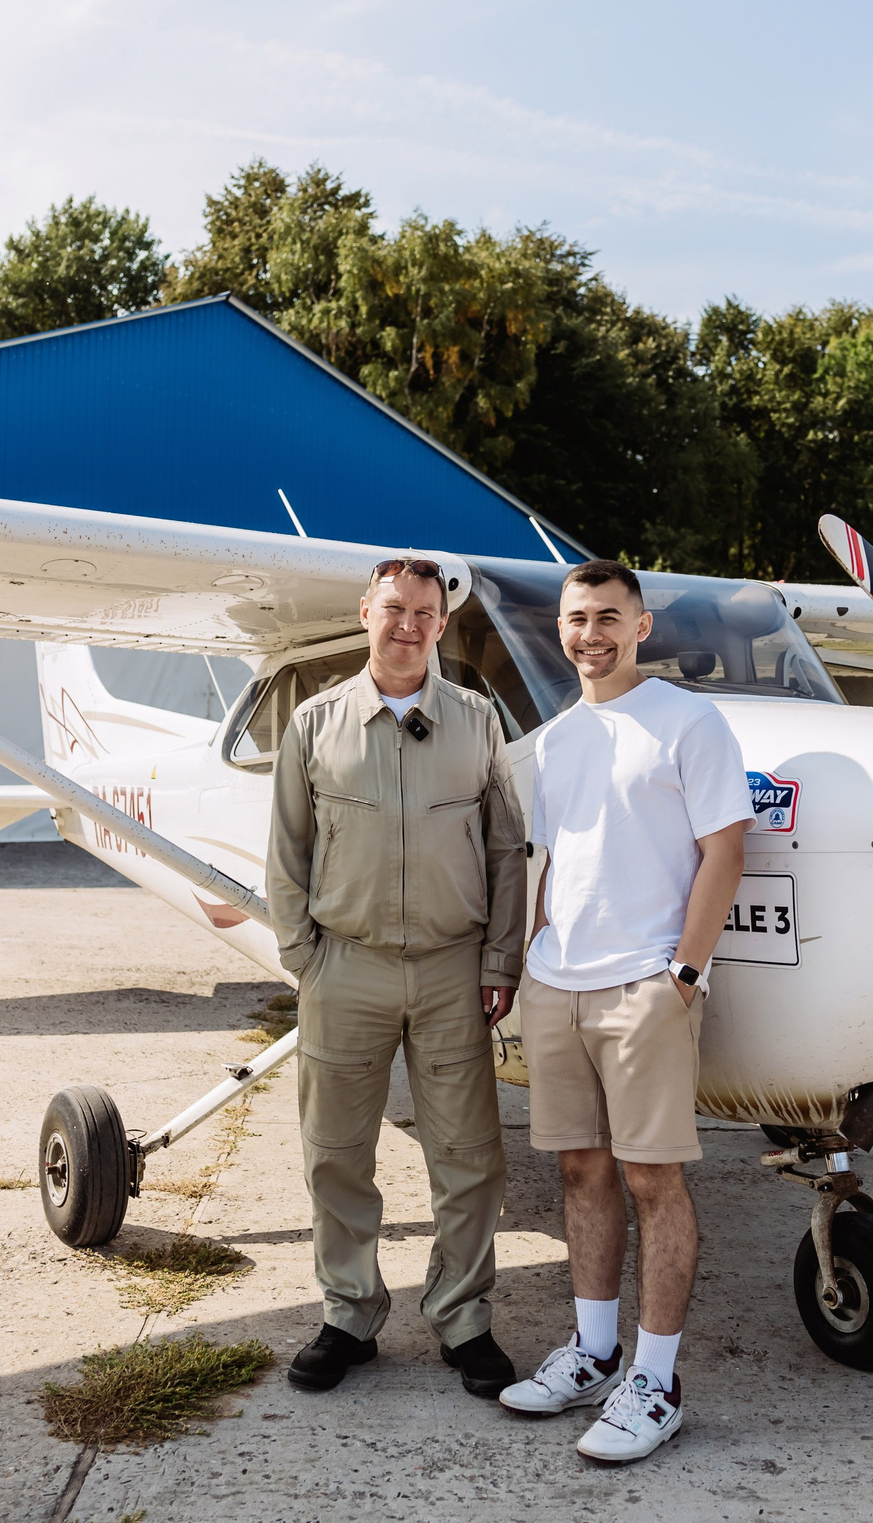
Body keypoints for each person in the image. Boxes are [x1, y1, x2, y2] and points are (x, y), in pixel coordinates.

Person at [497, 558, 749, 1465]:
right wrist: (535, 953)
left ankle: (657, 1381)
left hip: (646, 984)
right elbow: (557, 860)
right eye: (577, 618)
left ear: (641, 627)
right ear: (560, 629)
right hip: (557, 981)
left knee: (653, 1181)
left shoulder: (689, 720)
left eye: (608, 616)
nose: (590, 633)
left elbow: (726, 850)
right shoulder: (558, 738)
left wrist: (682, 974)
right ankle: (595, 1353)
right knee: (581, 1171)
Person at [267, 555, 528, 1397]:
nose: (408, 624)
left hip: (453, 968)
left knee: (469, 1156)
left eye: (424, 611)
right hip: (346, 966)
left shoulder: (477, 721)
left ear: (441, 624)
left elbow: (505, 848)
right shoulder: (314, 724)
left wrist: (500, 956)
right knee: (336, 1152)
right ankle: (348, 1312)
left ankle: (463, 1316)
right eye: (393, 607)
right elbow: (287, 853)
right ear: (365, 612)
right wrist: (306, 958)